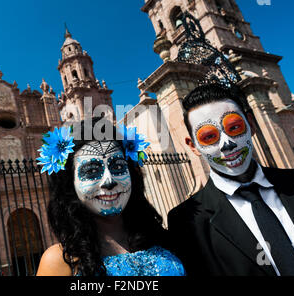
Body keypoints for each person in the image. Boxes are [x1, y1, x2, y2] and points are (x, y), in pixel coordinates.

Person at [168, 83, 294, 276]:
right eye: (209, 137)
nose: (227, 144)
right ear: (193, 146)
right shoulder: (188, 222)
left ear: (251, 124)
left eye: (234, 127)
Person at [36, 117, 185, 276]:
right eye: (91, 171)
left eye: (118, 166)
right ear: (70, 184)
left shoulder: (162, 237)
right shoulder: (59, 261)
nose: (109, 181)